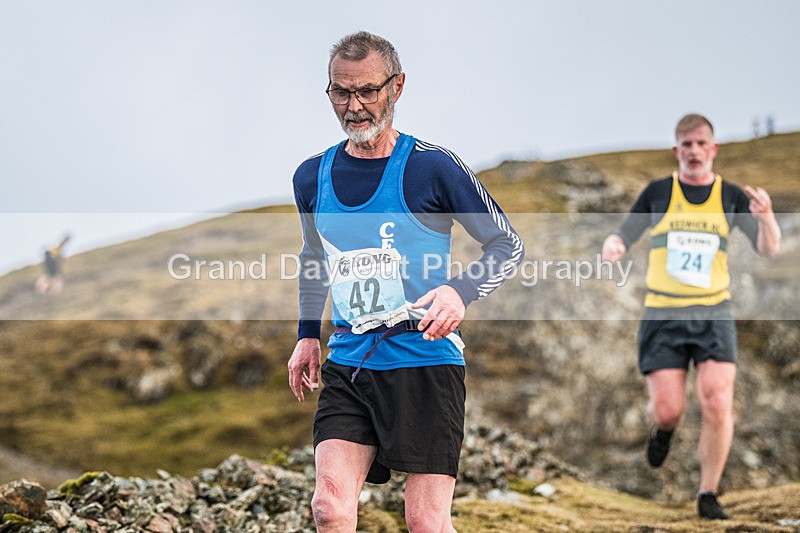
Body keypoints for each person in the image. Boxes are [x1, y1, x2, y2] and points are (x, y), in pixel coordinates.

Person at [287, 31, 524, 531]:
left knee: (426, 523)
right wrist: (308, 334)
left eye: (367, 91)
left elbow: (507, 246)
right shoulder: (311, 177)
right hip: (350, 362)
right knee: (329, 508)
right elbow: (315, 257)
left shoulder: (432, 168)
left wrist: (460, 291)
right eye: (340, 92)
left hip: (425, 362)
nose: (354, 107)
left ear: (397, 87)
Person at [601, 113, 781, 520]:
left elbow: (769, 249)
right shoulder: (658, 193)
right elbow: (623, 235)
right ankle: (662, 430)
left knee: (717, 400)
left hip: (714, 312)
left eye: (701, 143)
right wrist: (612, 246)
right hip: (663, 314)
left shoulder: (731, 197)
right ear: (676, 150)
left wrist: (766, 216)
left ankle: (708, 494)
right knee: (669, 410)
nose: (694, 151)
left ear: (713, 149)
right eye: (687, 144)